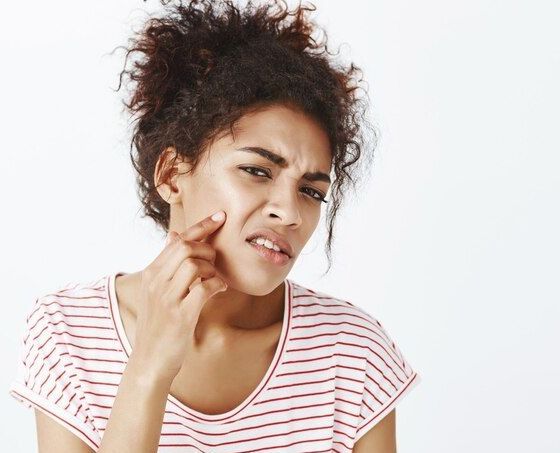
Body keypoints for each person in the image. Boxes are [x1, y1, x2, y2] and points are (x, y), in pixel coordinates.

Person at [8, 0, 420, 451]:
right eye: (257, 171)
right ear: (170, 175)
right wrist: (149, 368)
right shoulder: (70, 334)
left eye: (311, 190)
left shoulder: (350, 353)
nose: (291, 213)